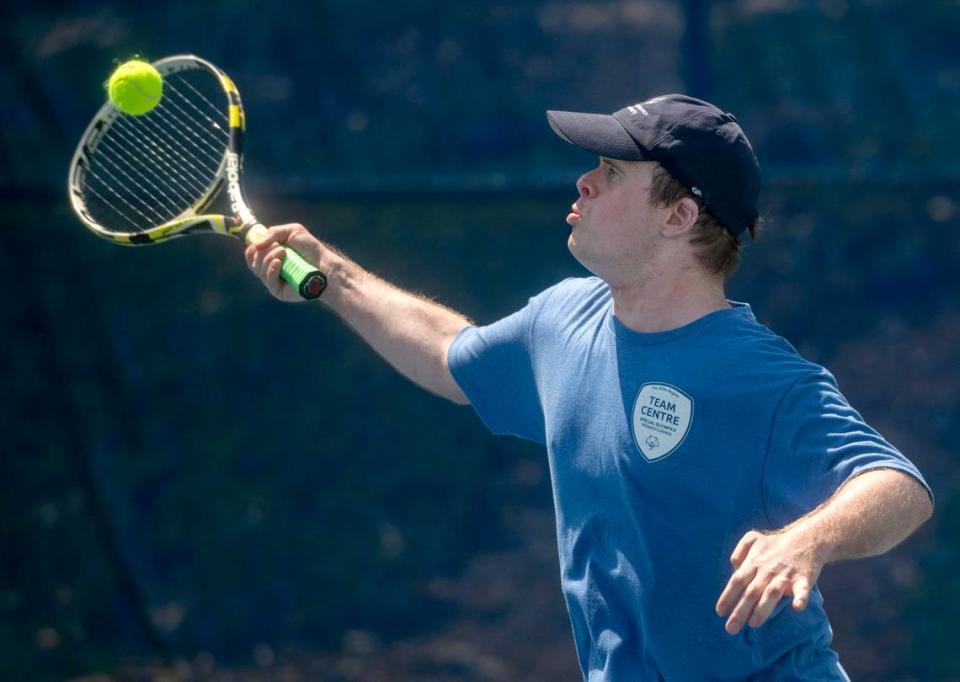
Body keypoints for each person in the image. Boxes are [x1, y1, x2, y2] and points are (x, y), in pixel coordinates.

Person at [245, 94, 934, 680]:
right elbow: (447, 353)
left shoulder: (759, 376)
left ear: (679, 217)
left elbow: (896, 487)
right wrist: (334, 277)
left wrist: (807, 540)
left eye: (610, 171)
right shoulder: (561, 319)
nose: (584, 183)